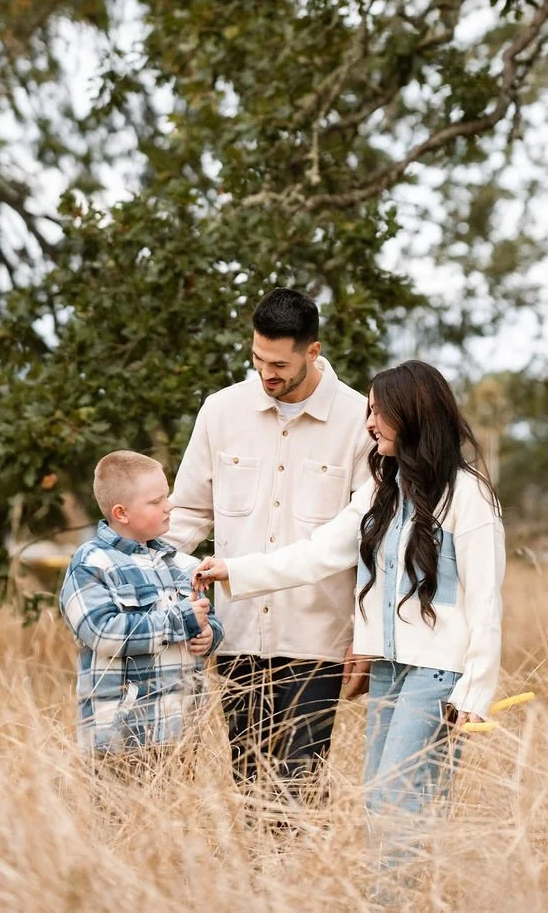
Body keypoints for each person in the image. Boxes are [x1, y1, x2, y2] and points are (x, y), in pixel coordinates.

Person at [193, 360, 504, 866]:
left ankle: (393, 898)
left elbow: (487, 599)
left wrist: (477, 688)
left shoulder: (469, 497)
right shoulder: (382, 492)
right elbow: (316, 553)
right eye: (369, 412)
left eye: (379, 412)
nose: (370, 423)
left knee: (399, 801)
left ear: (412, 415)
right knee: (379, 801)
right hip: (387, 669)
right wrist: (233, 569)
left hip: (435, 674)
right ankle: (397, 893)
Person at [166, 287, 371, 796]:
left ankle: (299, 850)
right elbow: (186, 514)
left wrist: (368, 636)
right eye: (258, 358)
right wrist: (135, 575)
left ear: (313, 351)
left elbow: (372, 538)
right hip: (235, 635)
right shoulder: (220, 411)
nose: (266, 373)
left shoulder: (359, 420)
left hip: (317, 641)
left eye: (279, 364)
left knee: (298, 785)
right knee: (249, 782)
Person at [58, 450, 223, 758]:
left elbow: (204, 616)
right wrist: (179, 622)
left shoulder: (179, 563)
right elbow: (103, 632)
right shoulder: (93, 563)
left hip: (182, 731)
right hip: (120, 736)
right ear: (121, 513)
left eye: (167, 497)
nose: (169, 506)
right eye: (156, 501)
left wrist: (210, 633)